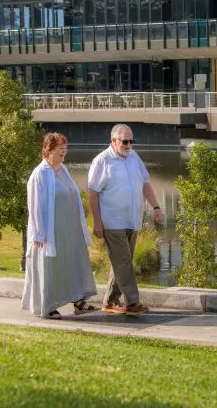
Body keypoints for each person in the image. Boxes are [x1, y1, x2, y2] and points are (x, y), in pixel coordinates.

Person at [87, 124, 164, 317]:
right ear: (113, 141)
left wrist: (156, 206)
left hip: (133, 219)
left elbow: (145, 184)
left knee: (122, 262)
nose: (129, 145)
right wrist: (97, 222)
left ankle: (110, 301)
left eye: (131, 141)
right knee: (123, 262)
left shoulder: (134, 157)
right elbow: (92, 194)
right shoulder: (101, 161)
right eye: (125, 141)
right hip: (112, 222)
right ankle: (133, 302)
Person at [22, 132, 98, 320]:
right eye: (60, 149)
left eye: (66, 149)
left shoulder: (62, 170)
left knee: (72, 264)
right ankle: (47, 306)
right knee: (50, 268)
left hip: (69, 231)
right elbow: (35, 206)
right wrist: (38, 234)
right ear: (49, 150)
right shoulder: (40, 174)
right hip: (50, 232)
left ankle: (79, 301)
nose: (64, 153)